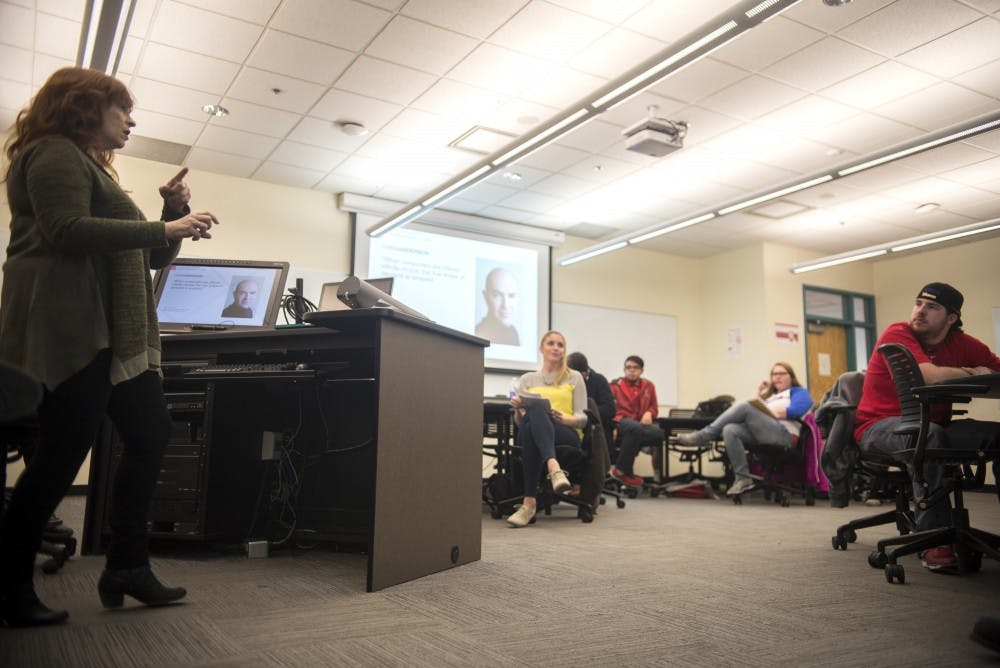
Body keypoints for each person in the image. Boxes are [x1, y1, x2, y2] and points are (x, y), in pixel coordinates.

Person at [0, 67, 220, 627]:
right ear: (82, 107)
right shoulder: (51, 153)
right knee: (57, 462)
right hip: (71, 326)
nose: (131, 119)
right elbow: (67, 230)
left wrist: (168, 217)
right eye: (121, 109)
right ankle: (7, 586)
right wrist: (166, 229)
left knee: (150, 433)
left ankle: (127, 565)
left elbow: (141, 258)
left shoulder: (93, 168)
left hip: (115, 333)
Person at [853, 282, 1000, 572]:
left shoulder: (964, 344)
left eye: (931, 307)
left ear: (951, 318)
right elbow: (928, 377)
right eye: (918, 303)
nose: (920, 311)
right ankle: (934, 539)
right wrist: (971, 372)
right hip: (878, 427)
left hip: (933, 425)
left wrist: (981, 371)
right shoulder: (898, 332)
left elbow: (995, 369)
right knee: (929, 435)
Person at [678, 362, 813, 496]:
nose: (777, 377)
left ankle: (704, 436)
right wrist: (759, 391)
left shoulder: (799, 392)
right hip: (763, 435)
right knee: (730, 429)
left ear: (791, 376)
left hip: (785, 436)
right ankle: (743, 478)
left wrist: (772, 412)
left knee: (745, 406)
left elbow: (797, 410)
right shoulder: (771, 397)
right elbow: (751, 405)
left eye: (781, 374)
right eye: (774, 374)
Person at [507, 331, 588, 527]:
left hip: (565, 432)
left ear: (563, 351)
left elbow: (583, 418)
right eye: (551, 343)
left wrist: (564, 418)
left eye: (560, 345)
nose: (555, 347)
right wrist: (518, 409)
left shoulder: (574, 377)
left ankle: (528, 504)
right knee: (532, 416)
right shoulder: (527, 379)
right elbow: (520, 422)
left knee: (533, 419)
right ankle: (554, 467)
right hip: (534, 432)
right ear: (542, 348)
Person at [608, 355, 665, 489]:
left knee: (659, 434)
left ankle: (623, 471)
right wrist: (612, 426)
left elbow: (654, 407)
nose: (631, 370)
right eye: (628, 368)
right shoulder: (614, 386)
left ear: (641, 371)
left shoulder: (648, 386)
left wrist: (649, 412)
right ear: (624, 370)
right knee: (634, 429)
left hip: (639, 425)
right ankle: (622, 471)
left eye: (635, 368)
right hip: (621, 422)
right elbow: (608, 410)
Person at [566, 352, 616, 433]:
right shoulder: (566, 381)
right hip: (571, 424)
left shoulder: (599, 380)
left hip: (597, 429)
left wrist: (585, 413)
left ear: (584, 374)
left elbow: (609, 410)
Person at [475, 267, 519, 345]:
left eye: (511, 296)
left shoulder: (513, 333)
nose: (505, 305)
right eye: (497, 295)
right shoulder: (477, 333)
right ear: (485, 297)